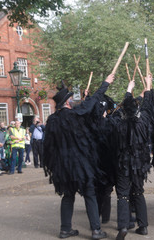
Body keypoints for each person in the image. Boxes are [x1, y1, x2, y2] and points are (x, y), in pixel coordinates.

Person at [44, 75, 114, 239]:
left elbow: (48, 147)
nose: (73, 101)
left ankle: (65, 229)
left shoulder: (52, 120)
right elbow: (91, 103)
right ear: (67, 102)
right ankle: (96, 230)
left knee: (68, 196)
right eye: (71, 99)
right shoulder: (75, 114)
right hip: (80, 164)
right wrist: (105, 83)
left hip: (63, 166)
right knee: (89, 193)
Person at [112, 77, 153, 240]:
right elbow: (148, 104)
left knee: (123, 194)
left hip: (124, 162)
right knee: (138, 192)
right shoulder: (144, 120)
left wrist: (129, 88)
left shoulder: (119, 125)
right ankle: (143, 226)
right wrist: (147, 86)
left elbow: (123, 108)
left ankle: (123, 226)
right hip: (139, 163)